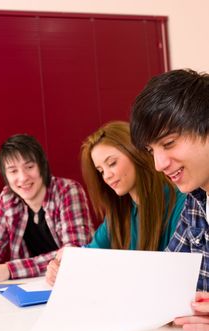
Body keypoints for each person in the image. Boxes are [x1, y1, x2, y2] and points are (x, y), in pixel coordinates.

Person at [46, 121, 186, 285]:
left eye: (112, 163)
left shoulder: (180, 201)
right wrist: (63, 262)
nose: (106, 176)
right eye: (101, 171)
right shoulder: (119, 212)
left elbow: (174, 274)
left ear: (137, 153)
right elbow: (91, 253)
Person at [130, 68, 209, 331]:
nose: (158, 164)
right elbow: (166, 276)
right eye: (152, 151)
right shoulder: (195, 200)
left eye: (169, 143)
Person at [0, 134, 94, 286]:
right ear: (5, 175)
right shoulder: (7, 198)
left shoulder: (68, 191)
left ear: (42, 166)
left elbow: (74, 251)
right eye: (13, 171)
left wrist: (9, 270)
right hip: (31, 285)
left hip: (72, 283)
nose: (23, 177)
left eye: (29, 167)